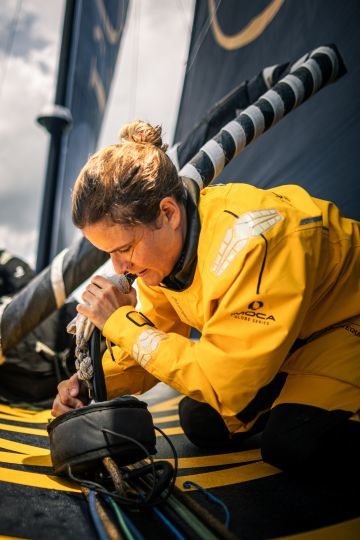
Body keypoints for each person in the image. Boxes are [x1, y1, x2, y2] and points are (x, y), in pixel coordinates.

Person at [52, 120, 360, 473]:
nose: (119, 267)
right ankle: (292, 396)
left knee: (291, 442)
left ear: (168, 213)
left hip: (345, 326)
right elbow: (154, 337)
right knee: (201, 421)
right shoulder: (163, 253)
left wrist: (119, 321)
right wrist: (91, 385)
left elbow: (225, 384)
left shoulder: (254, 243)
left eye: (124, 249)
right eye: (109, 254)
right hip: (292, 338)